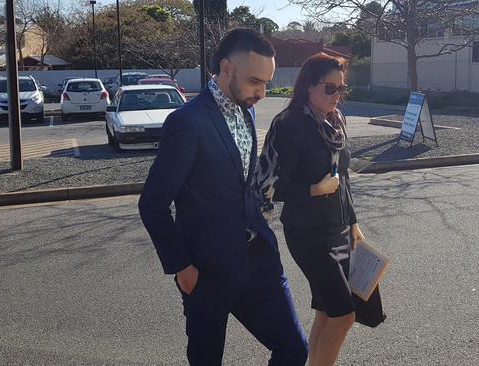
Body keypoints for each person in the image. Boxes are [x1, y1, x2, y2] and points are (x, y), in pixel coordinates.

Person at [138, 28, 308, 366]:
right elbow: (153, 202)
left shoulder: (247, 110)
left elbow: (243, 182)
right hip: (207, 272)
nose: (262, 92)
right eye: (255, 81)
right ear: (226, 68)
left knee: (294, 349)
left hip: (258, 261)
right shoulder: (188, 123)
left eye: (267, 83)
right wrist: (183, 267)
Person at [254, 53, 368, 366]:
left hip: (338, 228)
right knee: (344, 315)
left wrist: (354, 223)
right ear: (308, 86)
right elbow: (268, 187)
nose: (337, 96)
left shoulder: (336, 121)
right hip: (307, 233)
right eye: (329, 89)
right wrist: (314, 190)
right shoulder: (290, 124)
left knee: (326, 312)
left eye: (341, 89)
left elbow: (342, 177)